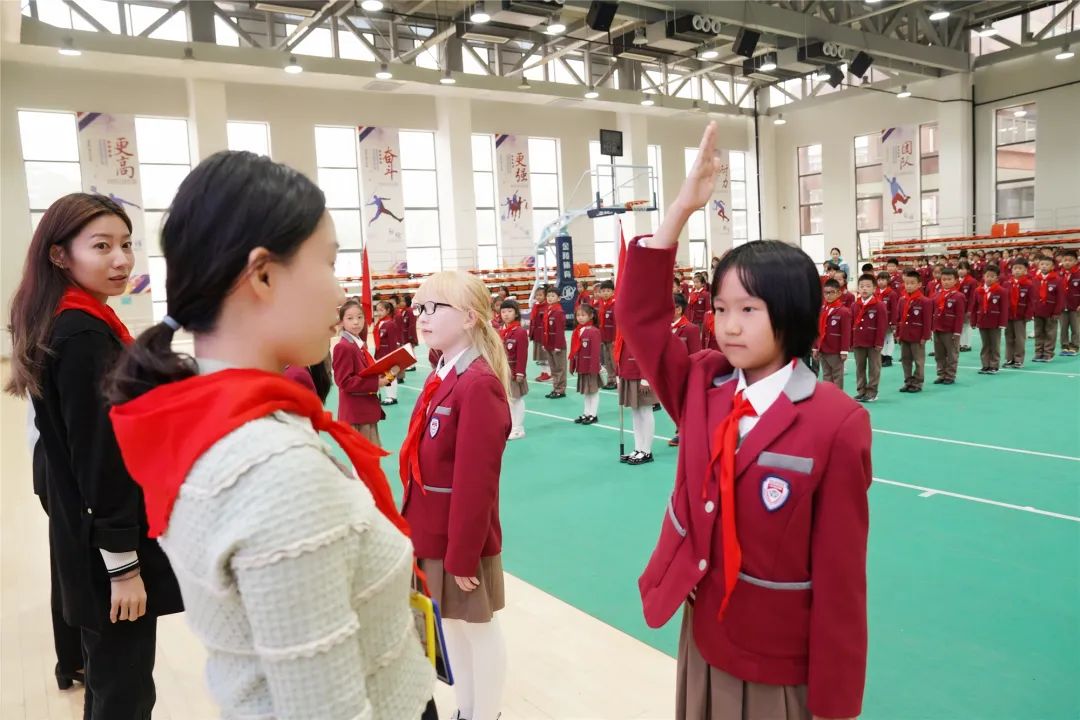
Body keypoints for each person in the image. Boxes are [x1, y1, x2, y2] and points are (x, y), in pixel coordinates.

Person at [104, 153, 435, 720]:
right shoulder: (274, 469)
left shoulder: (206, 417)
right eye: (328, 264)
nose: (340, 293)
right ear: (261, 275)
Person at [621, 122, 870, 720]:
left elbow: (841, 581)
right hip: (703, 628)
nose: (728, 326)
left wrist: (834, 704)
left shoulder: (837, 423)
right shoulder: (703, 383)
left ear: (791, 314)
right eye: (722, 309)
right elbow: (640, 318)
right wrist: (680, 210)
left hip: (775, 653)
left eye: (749, 310)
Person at [5, 193, 184, 719]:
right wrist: (123, 566)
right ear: (60, 255)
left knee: (110, 684)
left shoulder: (70, 317)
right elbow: (98, 459)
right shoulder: (82, 333)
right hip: (106, 547)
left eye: (127, 245)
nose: (121, 259)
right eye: (101, 246)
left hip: (84, 533)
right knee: (125, 693)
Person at [401, 271, 511, 720]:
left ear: (468, 318)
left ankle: (485, 714)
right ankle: (467, 709)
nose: (422, 318)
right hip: (431, 531)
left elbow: (476, 480)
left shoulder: (477, 383)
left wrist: (463, 554)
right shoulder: (444, 373)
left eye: (433, 308)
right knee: (451, 630)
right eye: (419, 308)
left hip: (458, 539)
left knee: (478, 631)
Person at [333, 298, 391, 446]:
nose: (356, 322)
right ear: (341, 322)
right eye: (350, 318)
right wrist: (376, 383)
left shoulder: (357, 344)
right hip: (356, 413)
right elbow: (344, 382)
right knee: (363, 464)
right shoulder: (344, 347)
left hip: (364, 411)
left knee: (367, 462)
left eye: (360, 317)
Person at [668, 294, 702, 447]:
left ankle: (682, 432)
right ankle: (680, 429)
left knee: (686, 404)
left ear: (678, 309)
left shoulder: (690, 329)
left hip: (685, 374)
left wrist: (694, 375)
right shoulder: (665, 327)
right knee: (674, 404)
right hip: (669, 374)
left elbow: (696, 354)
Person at [896, 269, 933, 393]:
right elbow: (899, 318)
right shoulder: (902, 300)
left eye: (912, 283)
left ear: (919, 284)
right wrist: (897, 334)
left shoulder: (925, 301)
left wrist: (925, 336)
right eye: (907, 283)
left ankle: (918, 382)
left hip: (917, 336)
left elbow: (927, 321)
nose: (909, 286)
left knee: (918, 360)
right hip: (904, 335)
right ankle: (908, 381)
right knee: (905, 360)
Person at [852, 273, 887, 403]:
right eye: (861, 286)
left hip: (873, 343)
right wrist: (852, 341)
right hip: (858, 341)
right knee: (859, 367)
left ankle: (872, 392)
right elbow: (852, 324)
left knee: (874, 367)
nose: (864, 289)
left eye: (868, 286)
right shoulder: (855, 305)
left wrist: (879, 343)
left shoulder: (879, 305)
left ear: (874, 289)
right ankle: (861, 391)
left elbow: (882, 326)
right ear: (858, 289)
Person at [814, 279, 851, 389]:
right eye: (826, 293)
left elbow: (846, 332)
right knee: (826, 375)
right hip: (823, 347)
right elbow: (818, 329)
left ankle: (838, 400)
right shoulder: (822, 309)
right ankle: (828, 397)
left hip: (835, 349)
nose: (828, 295)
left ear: (839, 293)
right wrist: (816, 347)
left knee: (837, 376)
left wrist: (844, 350)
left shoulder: (843, 311)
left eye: (832, 292)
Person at [971, 265, 1009, 374]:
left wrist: (1002, 323)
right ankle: (985, 365)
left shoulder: (1002, 291)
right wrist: (973, 321)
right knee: (985, 344)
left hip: (995, 322)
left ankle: (994, 365)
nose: (989, 278)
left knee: (994, 344)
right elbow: (974, 307)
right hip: (982, 321)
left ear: (997, 278)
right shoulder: (978, 290)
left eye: (992, 277)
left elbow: (1004, 308)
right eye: (987, 276)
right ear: (983, 277)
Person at [500, 299, 529, 439]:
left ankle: (518, 428)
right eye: (503, 311)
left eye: (509, 311)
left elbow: (522, 354)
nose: (506, 314)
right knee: (508, 400)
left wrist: (520, 372)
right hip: (504, 371)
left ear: (516, 313)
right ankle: (512, 426)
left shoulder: (520, 332)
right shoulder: (502, 331)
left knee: (517, 399)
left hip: (514, 372)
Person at [931, 267, 965, 386]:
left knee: (951, 354)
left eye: (949, 279)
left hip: (950, 330)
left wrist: (957, 332)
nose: (946, 282)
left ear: (955, 280)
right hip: (937, 329)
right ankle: (941, 374)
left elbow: (960, 315)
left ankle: (950, 375)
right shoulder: (936, 295)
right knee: (939, 354)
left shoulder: (958, 296)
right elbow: (933, 312)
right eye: (944, 279)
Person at [570, 303, 602, 425]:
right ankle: (586, 413)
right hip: (582, 366)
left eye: (583, 315)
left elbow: (595, 352)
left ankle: (593, 414)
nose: (580, 318)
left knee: (593, 391)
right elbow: (574, 350)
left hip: (590, 367)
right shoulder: (577, 331)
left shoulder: (594, 331)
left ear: (591, 316)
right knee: (586, 392)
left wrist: (594, 368)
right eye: (578, 315)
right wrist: (573, 365)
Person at [1031, 255, 1066, 362]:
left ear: (1052, 266)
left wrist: (1057, 311)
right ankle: (1038, 352)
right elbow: (1032, 296)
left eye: (1047, 264)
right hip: (1037, 310)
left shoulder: (1058, 280)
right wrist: (1032, 310)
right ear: (1038, 265)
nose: (1044, 266)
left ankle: (1048, 353)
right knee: (1038, 332)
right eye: (1042, 264)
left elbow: (1060, 298)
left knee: (1050, 332)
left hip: (1051, 311)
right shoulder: (1035, 279)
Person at [1003, 259, 1035, 368]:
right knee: (1009, 337)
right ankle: (1009, 358)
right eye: (1015, 268)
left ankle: (1018, 359)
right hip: (1008, 315)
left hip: (1021, 316)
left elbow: (1031, 301)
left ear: (1025, 270)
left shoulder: (1029, 284)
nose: (1017, 270)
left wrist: (1028, 314)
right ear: (1011, 270)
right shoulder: (1007, 284)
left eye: (1020, 268)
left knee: (1020, 338)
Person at [373, 299, 404, 404]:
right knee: (383, 376)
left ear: (387, 310)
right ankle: (388, 396)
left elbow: (392, 343)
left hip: (388, 355)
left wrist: (392, 357)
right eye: (377, 310)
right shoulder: (380, 323)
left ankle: (392, 397)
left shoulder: (390, 324)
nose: (378, 313)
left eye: (381, 310)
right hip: (380, 354)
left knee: (390, 376)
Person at [542, 286, 568, 398]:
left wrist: (558, 346)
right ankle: (555, 388)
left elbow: (559, 330)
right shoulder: (548, 310)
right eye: (548, 296)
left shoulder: (558, 312)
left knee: (560, 368)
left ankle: (560, 390)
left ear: (559, 298)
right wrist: (544, 343)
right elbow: (545, 329)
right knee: (553, 368)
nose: (550, 298)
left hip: (557, 345)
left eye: (553, 296)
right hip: (549, 344)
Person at [596, 280, 618, 388]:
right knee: (607, 360)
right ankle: (611, 379)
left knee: (614, 360)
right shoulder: (601, 305)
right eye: (603, 291)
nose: (605, 293)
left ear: (613, 292)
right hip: (604, 338)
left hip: (612, 338)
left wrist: (615, 339)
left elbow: (617, 324)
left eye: (608, 291)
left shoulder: (614, 305)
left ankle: (617, 380)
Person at [875, 271, 899, 367]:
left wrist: (893, 322)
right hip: (877, 321)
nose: (881, 282)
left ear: (888, 281)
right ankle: (882, 356)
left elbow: (894, 309)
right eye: (879, 280)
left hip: (888, 320)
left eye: (883, 280)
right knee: (881, 339)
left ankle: (888, 357)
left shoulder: (892, 293)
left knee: (888, 338)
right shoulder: (875, 292)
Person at [1060, 250, 1080, 356]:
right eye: (1065, 260)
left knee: (1075, 327)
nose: (1067, 262)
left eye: (1070, 260)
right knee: (1063, 328)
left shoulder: (1079, 273)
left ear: (1076, 261)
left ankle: (1075, 346)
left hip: (1075, 305)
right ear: (1062, 261)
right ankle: (1064, 346)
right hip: (1062, 306)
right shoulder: (1059, 274)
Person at [529, 286, 550, 382]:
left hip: (543, 336)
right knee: (540, 356)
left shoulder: (547, 307)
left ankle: (548, 373)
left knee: (545, 355)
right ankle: (543, 372)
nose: (538, 297)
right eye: (536, 295)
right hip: (537, 335)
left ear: (545, 296)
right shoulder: (535, 306)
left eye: (540, 295)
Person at [956, 262, 978, 352]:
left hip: (967, 307)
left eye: (963, 269)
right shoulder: (955, 280)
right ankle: (961, 343)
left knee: (967, 325)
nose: (961, 271)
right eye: (959, 269)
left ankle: (967, 344)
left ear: (968, 270)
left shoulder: (972, 281)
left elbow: (973, 297)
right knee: (960, 326)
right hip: (958, 307)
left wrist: (970, 310)